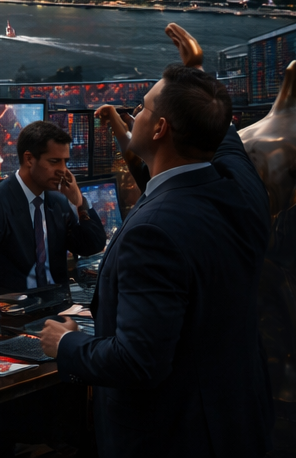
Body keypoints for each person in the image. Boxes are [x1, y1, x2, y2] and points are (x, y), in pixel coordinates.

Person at [40, 64, 271, 457]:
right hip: (237, 424)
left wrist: (67, 344)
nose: (134, 115)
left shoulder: (154, 233)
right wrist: (199, 85)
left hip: (170, 437)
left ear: (161, 128)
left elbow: (138, 360)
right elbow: (224, 138)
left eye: (142, 108)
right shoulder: (242, 195)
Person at [0, 120, 105, 294]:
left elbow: (92, 245)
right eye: (54, 162)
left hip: (58, 304)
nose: (63, 170)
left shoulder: (58, 201)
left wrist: (79, 201)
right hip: (17, 313)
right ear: (29, 159)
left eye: (65, 162)